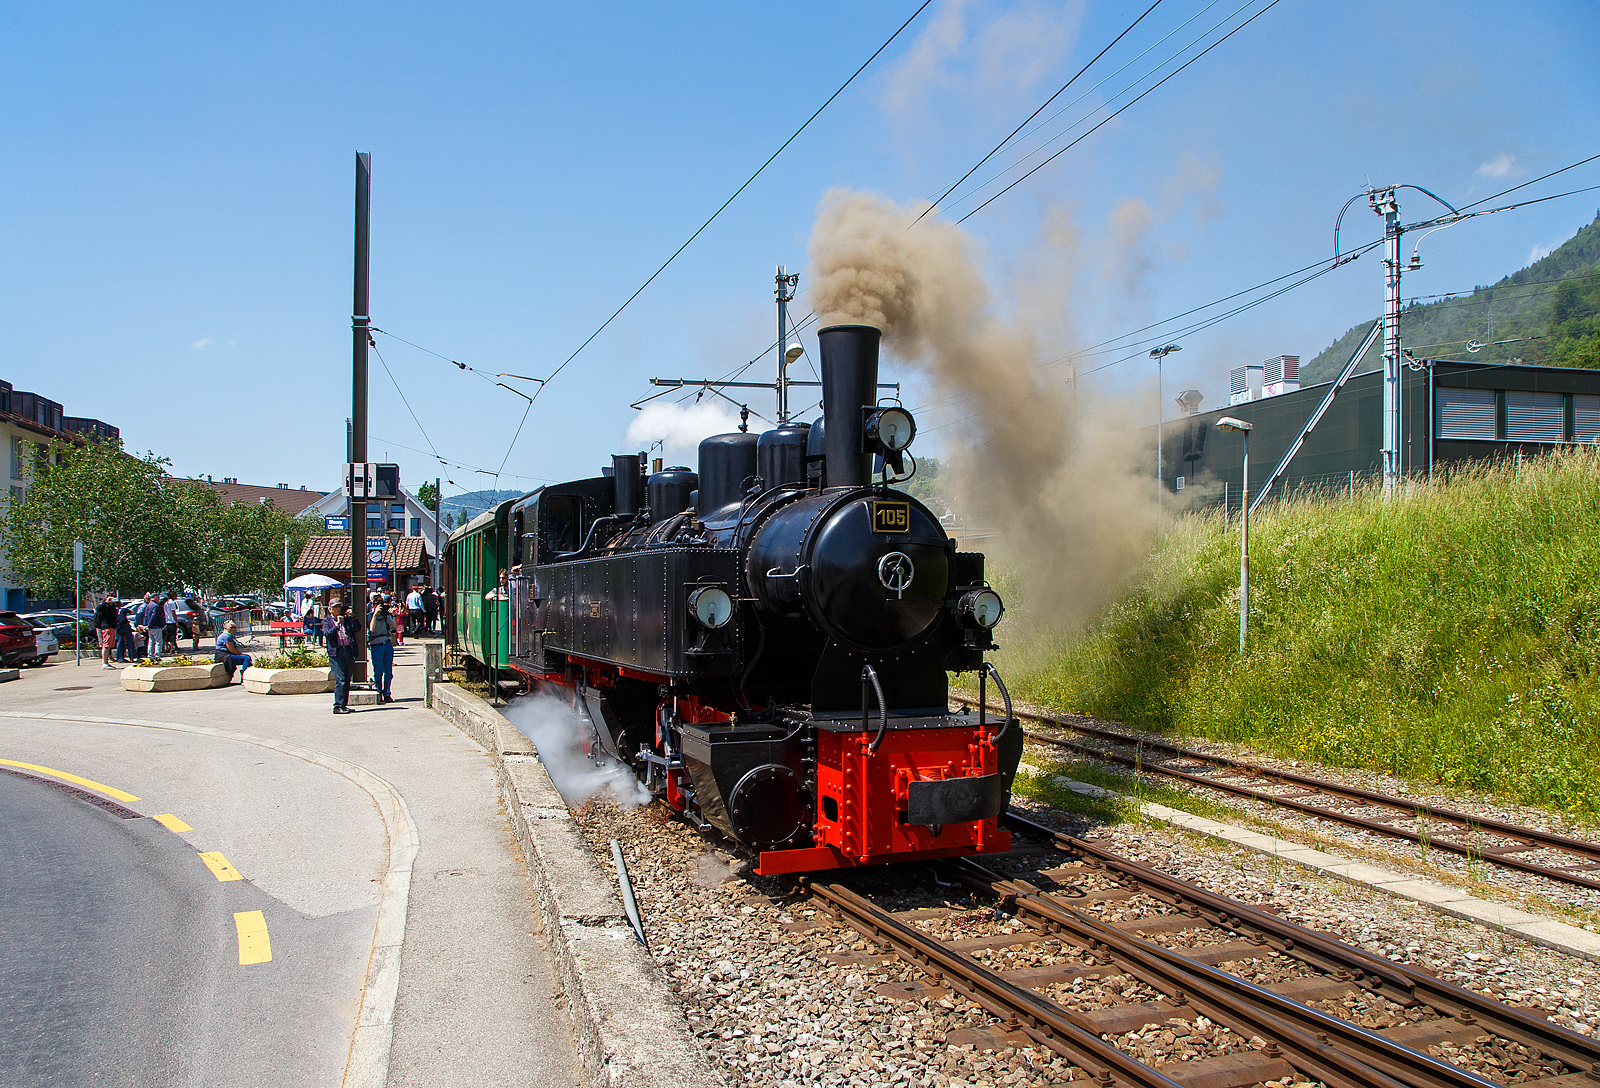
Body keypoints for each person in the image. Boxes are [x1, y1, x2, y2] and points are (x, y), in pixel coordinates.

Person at [325, 600, 358, 714]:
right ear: (330, 609)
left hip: (348, 650)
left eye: (339, 607)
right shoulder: (327, 621)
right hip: (336, 652)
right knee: (340, 679)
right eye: (335, 607)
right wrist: (337, 624)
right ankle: (338, 706)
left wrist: (353, 617)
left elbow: (357, 628)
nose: (338, 609)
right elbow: (328, 635)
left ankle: (344, 705)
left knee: (347, 679)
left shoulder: (347, 619)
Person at [368, 597, 395, 703]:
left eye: (381, 604)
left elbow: (395, 626)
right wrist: (375, 614)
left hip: (386, 643)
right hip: (376, 645)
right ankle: (378, 691)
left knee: (388, 671)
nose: (379, 606)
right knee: (378, 671)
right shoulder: (369, 616)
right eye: (377, 604)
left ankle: (387, 692)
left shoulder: (385, 616)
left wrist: (393, 615)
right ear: (372, 605)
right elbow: (372, 629)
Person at [93, 596, 119, 669]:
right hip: (107, 627)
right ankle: (104, 663)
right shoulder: (104, 606)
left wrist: (114, 603)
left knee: (110, 645)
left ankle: (107, 661)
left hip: (112, 627)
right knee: (106, 645)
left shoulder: (112, 607)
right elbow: (98, 609)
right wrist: (106, 602)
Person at [137, 593, 165, 659]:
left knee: (151, 641)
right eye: (158, 598)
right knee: (158, 641)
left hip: (150, 627)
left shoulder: (148, 605)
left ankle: (150, 655)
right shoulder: (155, 606)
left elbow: (145, 616)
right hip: (155, 626)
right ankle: (157, 655)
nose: (159, 599)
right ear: (155, 598)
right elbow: (153, 616)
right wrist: (149, 625)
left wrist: (145, 625)